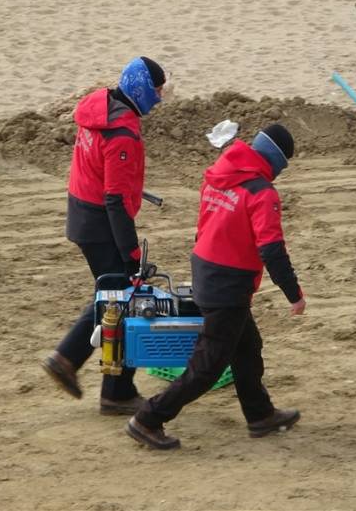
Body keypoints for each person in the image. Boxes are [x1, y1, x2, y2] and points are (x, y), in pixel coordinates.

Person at [126, 124, 306, 449]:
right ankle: (149, 418)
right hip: (228, 284)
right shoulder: (261, 192)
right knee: (206, 368)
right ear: (277, 160)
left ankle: (260, 414)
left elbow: (203, 223)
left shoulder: (221, 173)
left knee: (247, 347)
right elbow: (271, 249)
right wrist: (294, 294)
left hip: (207, 270)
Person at [42, 56, 166, 415]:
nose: (158, 99)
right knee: (123, 297)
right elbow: (114, 201)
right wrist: (130, 251)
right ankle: (87, 371)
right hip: (99, 223)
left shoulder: (101, 109)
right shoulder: (122, 134)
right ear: (142, 89)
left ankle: (105, 382)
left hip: (82, 214)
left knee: (114, 297)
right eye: (156, 91)